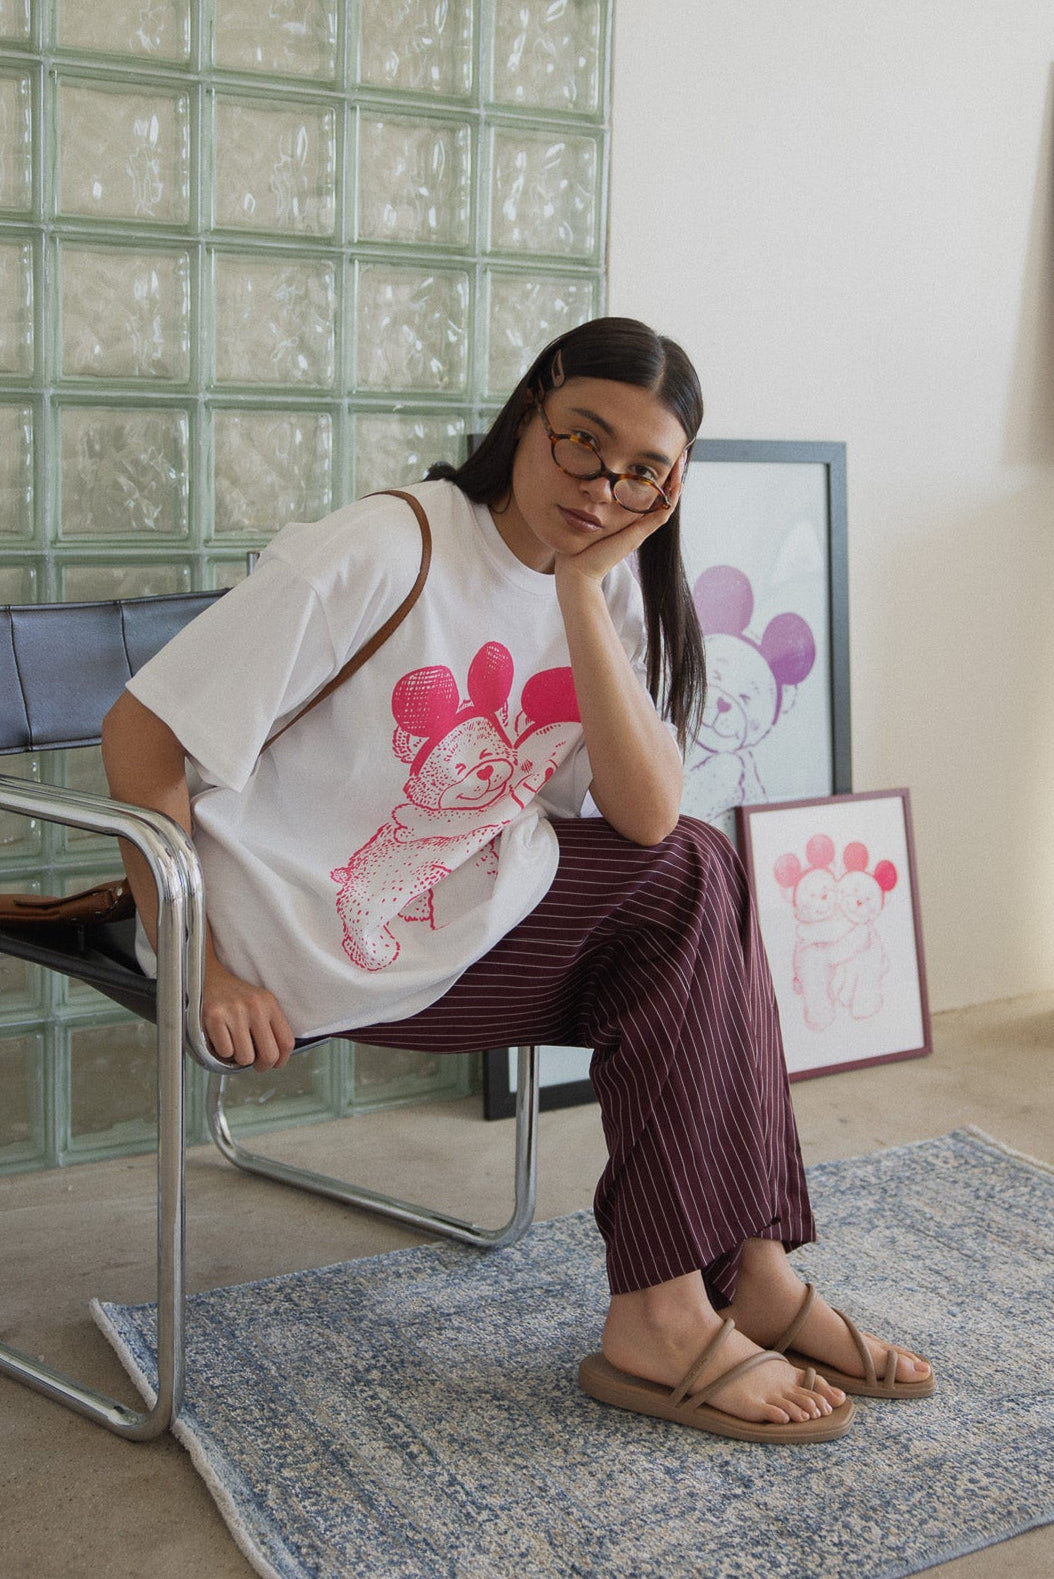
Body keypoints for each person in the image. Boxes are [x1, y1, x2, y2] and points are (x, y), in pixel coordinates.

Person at [101, 316, 933, 1445]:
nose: (600, 486)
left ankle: (746, 1272)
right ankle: (675, 1307)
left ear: (673, 484)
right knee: (690, 887)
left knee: (693, 872)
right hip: (281, 935)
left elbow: (642, 813)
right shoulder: (383, 549)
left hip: (453, 907)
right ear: (531, 410)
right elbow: (140, 738)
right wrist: (202, 968)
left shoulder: (605, 577)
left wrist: (584, 593)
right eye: (581, 442)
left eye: (642, 469)